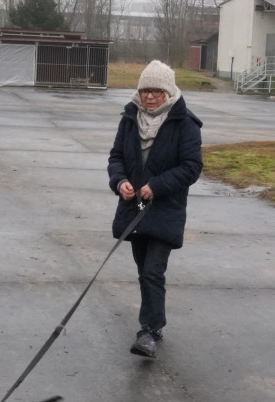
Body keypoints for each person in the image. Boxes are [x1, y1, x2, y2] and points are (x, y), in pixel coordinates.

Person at [107, 60, 203, 358]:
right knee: (143, 271)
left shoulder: (184, 123)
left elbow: (192, 167)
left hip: (165, 210)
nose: (149, 96)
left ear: (168, 91)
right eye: (145, 90)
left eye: (156, 91)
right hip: (133, 208)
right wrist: (120, 180)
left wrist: (157, 186)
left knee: (152, 271)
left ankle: (149, 330)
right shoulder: (129, 118)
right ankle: (154, 325)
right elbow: (116, 157)